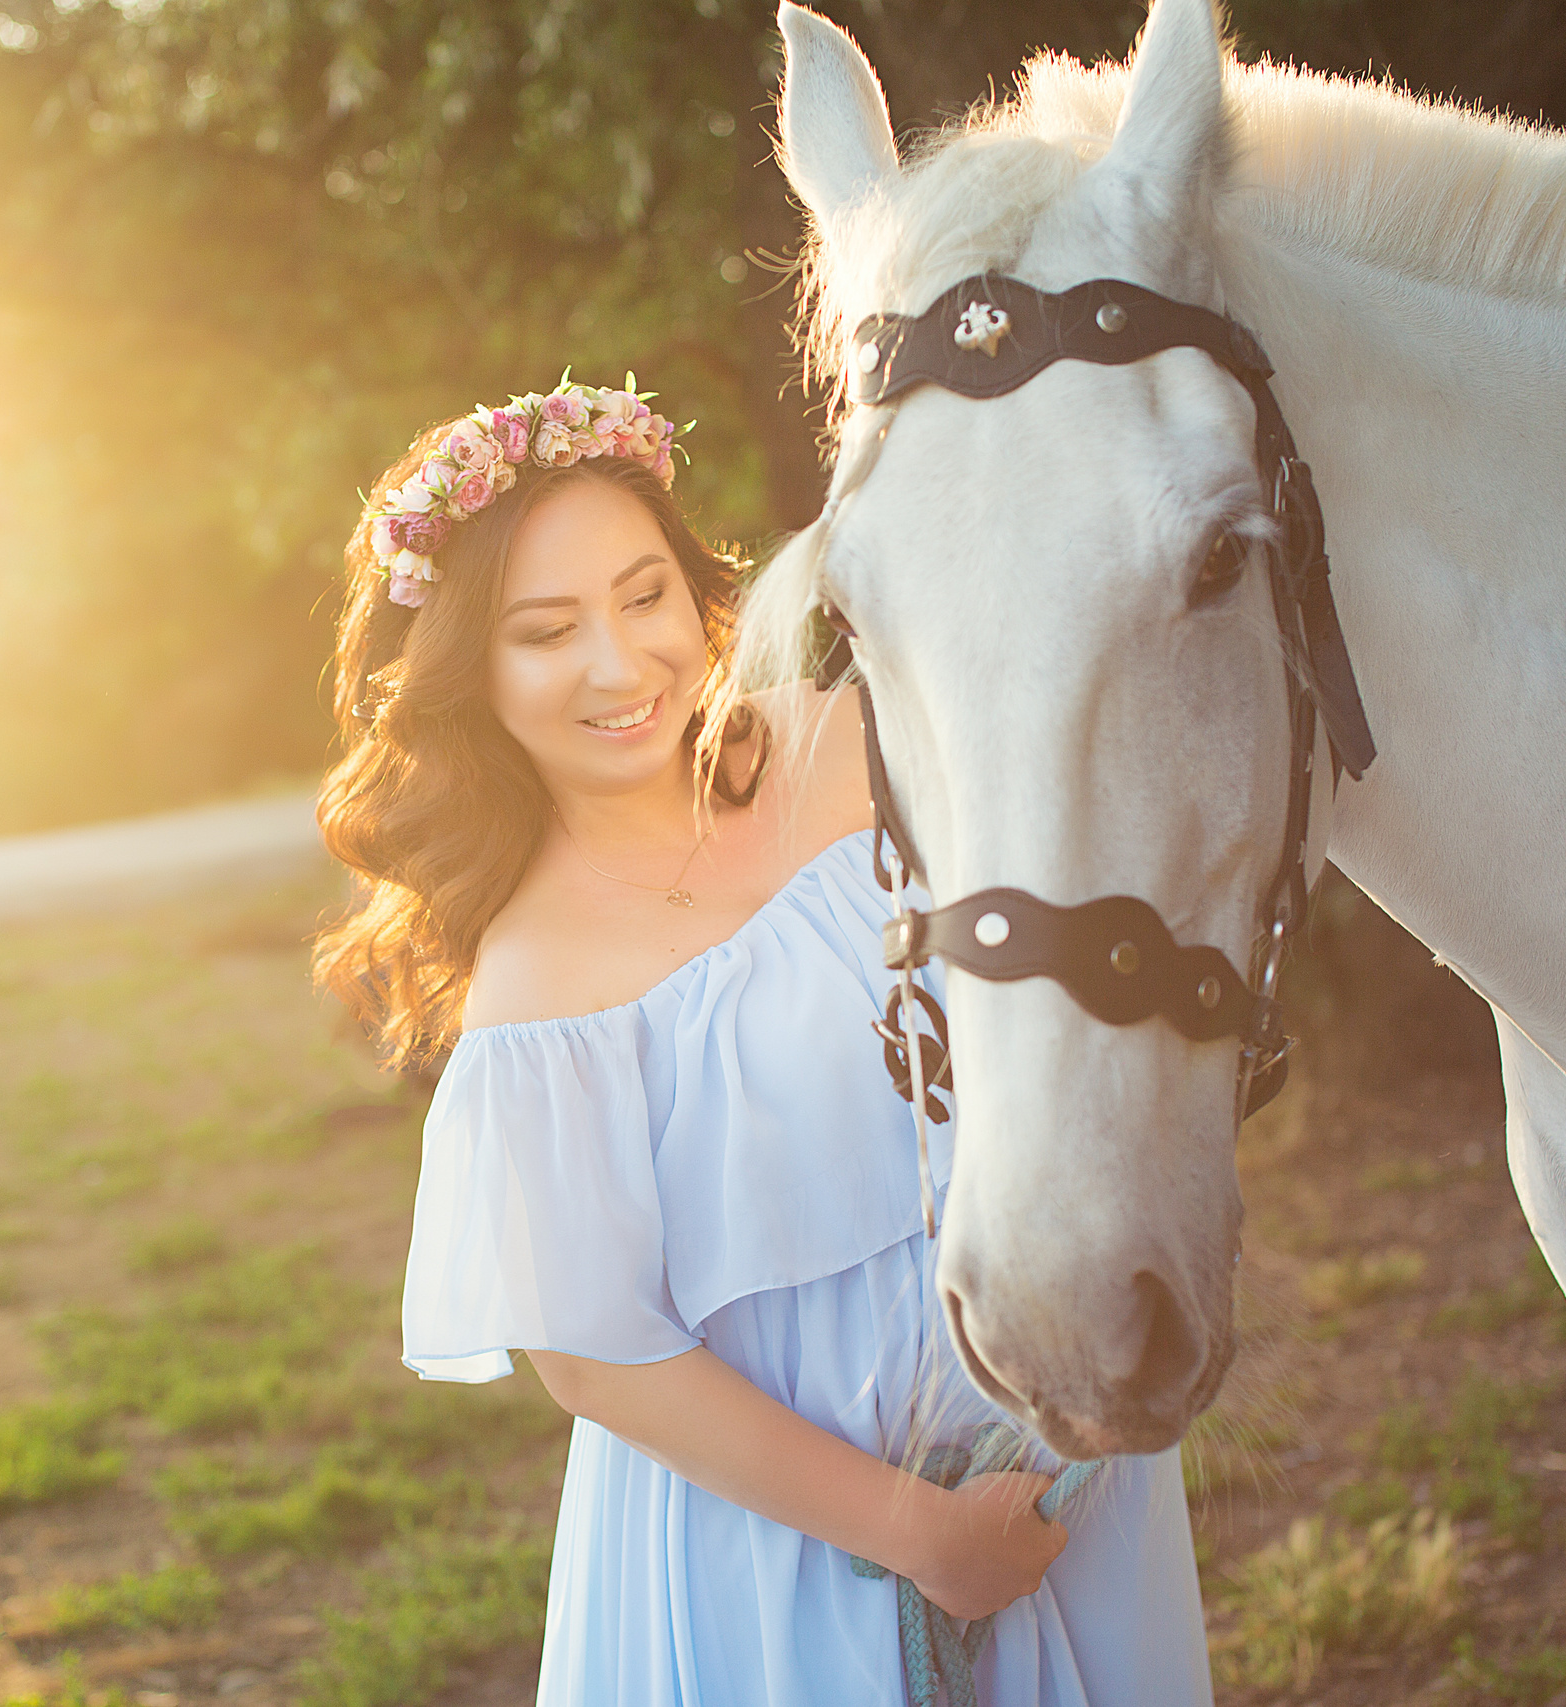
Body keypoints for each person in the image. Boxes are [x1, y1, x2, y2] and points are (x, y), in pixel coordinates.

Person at [314, 379, 1211, 1705]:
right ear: (471, 677)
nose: (620, 664)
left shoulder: (858, 749)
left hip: (1063, 1437)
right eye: (547, 631)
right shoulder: (536, 992)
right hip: (808, 1549)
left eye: (643, 596)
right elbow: (596, 1354)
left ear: (698, 593)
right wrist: (920, 1537)